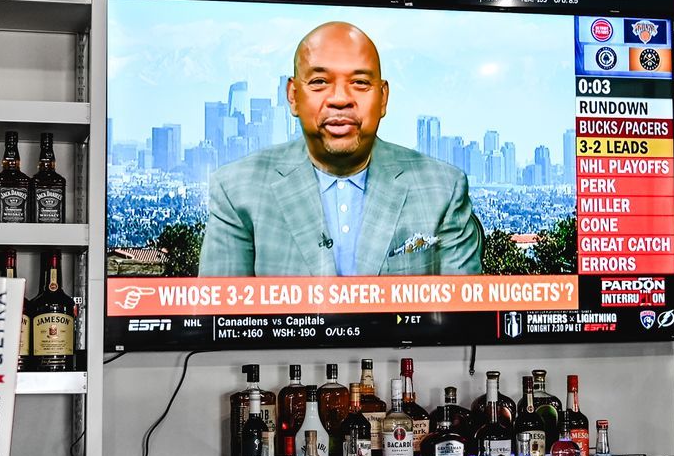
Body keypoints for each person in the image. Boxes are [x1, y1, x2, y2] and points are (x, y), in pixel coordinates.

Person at [199, 23, 484, 277]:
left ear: (383, 98)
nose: (339, 99)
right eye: (319, 82)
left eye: (359, 83)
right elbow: (218, 321)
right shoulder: (237, 189)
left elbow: (460, 322)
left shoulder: (443, 189)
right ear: (293, 95)